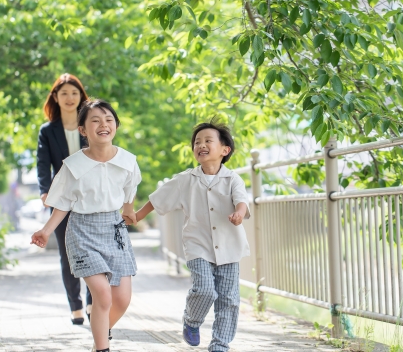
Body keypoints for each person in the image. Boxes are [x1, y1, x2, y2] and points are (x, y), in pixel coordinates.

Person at [132, 119, 250, 352]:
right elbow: (158, 198)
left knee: (229, 300)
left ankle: (220, 345)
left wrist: (239, 213)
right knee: (205, 289)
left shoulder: (233, 178)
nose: (201, 145)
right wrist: (137, 216)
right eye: (197, 142)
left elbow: (242, 201)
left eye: (208, 140)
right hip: (198, 245)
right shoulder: (185, 179)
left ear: (224, 150)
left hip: (229, 246)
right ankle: (192, 321)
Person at [31, 99, 140, 352]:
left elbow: (129, 189)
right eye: (95, 120)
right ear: (83, 130)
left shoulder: (128, 161)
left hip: (115, 231)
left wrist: (128, 210)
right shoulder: (73, 166)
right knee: (102, 294)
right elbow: (63, 204)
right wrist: (46, 231)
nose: (104, 125)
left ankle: (99, 336)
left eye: (109, 120)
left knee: (122, 299)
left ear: (116, 125)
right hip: (82, 232)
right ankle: (103, 348)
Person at [36, 73, 92, 325]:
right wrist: (45, 191)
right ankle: (76, 306)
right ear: (55, 98)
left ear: (81, 96)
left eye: (74, 93)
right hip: (61, 199)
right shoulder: (48, 131)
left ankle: (93, 302)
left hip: (91, 198)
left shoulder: (91, 125)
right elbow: (42, 164)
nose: (69, 98)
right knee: (67, 255)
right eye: (64, 93)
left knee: (93, 251)